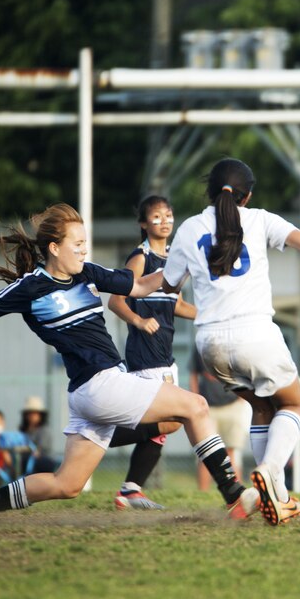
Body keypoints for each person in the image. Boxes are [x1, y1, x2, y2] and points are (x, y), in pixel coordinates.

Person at [0, 203, 259, 523]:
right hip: (101, 386)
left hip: (88, 393)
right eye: (78, 243)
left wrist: (182, 267)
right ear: (54, 248)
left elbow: (140, 285)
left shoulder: (88, 274)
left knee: (66, 485)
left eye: (86, 243)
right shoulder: (31, 287)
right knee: (196, 406)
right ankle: (233, 494)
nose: (84, 249)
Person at [161, 158, 300, 526]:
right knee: (292, 402)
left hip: (210, 343)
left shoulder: (189, 228)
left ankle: (277, 497)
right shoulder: (259, 219)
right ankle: (270, 471)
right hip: (256, 334)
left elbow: (168, 286)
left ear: (209, 190)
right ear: (248, 196)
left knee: (262, 408)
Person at [107, 195, 196, 511]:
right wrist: (139, 320)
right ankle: (101, 435)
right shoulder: (140, 258)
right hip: (146, 356)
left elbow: (177, 304)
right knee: (172, 420)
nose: (165, 221)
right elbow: (116, 301)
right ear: (144, 224)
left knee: (163, 426)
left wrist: (209, 314)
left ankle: (131, 490)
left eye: (169, 215)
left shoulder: (174, 258)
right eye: (156, 216)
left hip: (165, 355)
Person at [190, 350, 251, 490]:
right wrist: (195, 400)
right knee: (206, 453)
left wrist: (243, 397)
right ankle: (203, 493)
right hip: (208, 408)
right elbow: (194, 374)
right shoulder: (200, 344)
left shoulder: (233, 344)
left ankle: (237, 492)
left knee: (231, 453)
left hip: (233, 406)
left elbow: (245, 372)